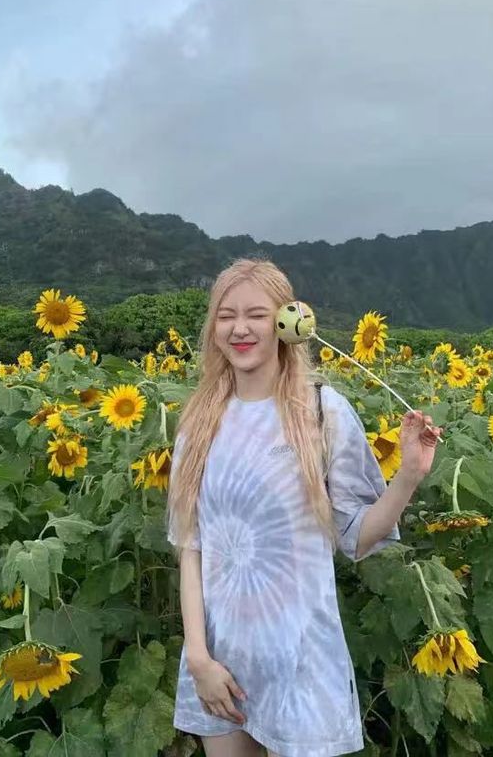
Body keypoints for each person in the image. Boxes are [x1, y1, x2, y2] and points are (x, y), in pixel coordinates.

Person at [166, 258, 442, 757]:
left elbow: (358, 535)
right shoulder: (200, 423)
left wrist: (407, 476)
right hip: (221, 661)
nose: (240, 328)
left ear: (286, 321)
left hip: (301, 659)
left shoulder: (322, 412)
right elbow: (192, 548)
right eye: (227, 315)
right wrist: (199, 659)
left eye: (256, 314)